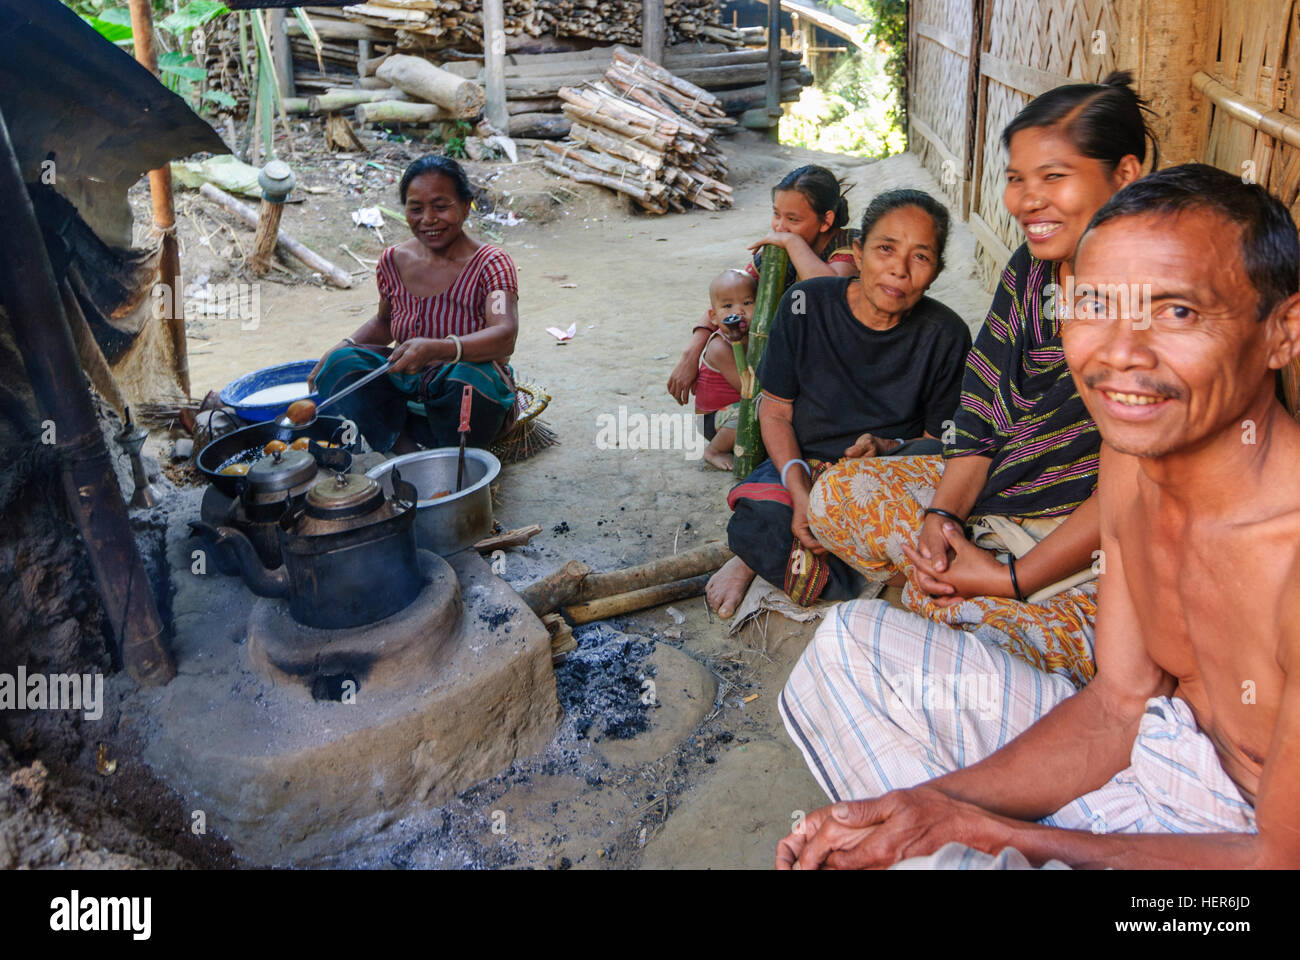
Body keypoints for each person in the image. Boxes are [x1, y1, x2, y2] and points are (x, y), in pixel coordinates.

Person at [776, 164, 1300, 870]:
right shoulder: (1130, 466)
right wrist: (932, 806)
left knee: (963, 850)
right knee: (848, 645)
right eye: (1094, 307)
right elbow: (1118, 707)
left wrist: (998, 834)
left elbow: (1276, 858)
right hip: (1144, 755)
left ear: (1283, 333)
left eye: (1175, 311)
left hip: (1233, 858)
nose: (1119, 353)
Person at [800, 72, 1157, 694]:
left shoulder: (1150, 298)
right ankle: (967, 572)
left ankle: (1031, 606)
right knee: (838, 496)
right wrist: (942, 515)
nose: (1024, 201)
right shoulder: (1031, 269)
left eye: (1054, 177)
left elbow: (1136, 492)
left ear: (1124, 175)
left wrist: (1008, 579)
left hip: (1096, 542)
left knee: (941, 622)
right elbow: (981, 415)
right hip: (998, 498)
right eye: (1016, 179)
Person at [705, 189, 970, 616]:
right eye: (886, 248)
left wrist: (890, 448)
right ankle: (770, 555)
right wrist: (800, 492)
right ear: (860, 252)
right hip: (804, 463)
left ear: (936, 271)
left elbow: (937, 444)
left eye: (920, 257)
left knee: (946, 531)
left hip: (885, 475)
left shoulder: (947, 334)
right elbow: (774, 413)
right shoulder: (805, 306)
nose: (899, 270)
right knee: (757, 522)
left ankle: (792, 562)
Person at [306, 155, 519, 453]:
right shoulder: (393, 260)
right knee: (340, 363)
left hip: (465, 395)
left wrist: (439, 348)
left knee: (468, 380)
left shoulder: (491, 264)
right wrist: (341, 347)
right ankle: (405, 451)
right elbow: (384, 323)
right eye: (416, 209)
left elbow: (505, 336)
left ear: (466, 205)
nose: (428, 219)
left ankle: (455, 456)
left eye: (441, 206)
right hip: (406, 385)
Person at [666, 165, 859, 407]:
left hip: (834, 367)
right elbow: (731, 296)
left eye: (793, 219)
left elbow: (830, 290)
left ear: (826, 220)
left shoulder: (850, 244)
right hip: (790, 358)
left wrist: (791, 242)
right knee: (719, 346)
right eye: (776, 214)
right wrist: (691, 352)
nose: (779, 227)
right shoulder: (778, 250)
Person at [696, 269, 756, 471]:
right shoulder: (720, 346)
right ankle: (713, 451)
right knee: (752, 410)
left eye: (747, 303)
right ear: (713, 316)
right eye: (728, 306)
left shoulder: (756, 334)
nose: (738, 312)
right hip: (716, 419)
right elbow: (745, 388)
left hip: (740, 404)